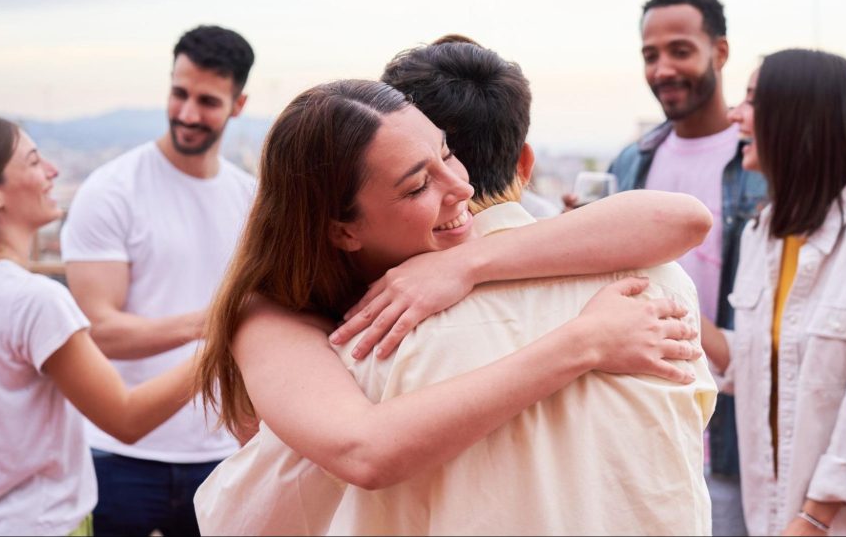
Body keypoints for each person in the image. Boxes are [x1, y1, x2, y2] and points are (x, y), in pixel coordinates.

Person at [194, 78, 712, 534]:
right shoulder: (269, 319)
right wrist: (584, 342)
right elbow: (364, 450)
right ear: (342, 230)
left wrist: (468, 264)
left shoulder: (452, 260)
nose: (460, 186)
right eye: (419, 184)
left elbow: (682, 219)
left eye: (446, 153)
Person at [0, 118, 196, 536]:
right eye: (34, 162)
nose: (53, 171)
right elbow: (126, 417)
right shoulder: (36, 300)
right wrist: (220, 344)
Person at [701, 49, 846, 535]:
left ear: (797, 115)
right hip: (775, 517)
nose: (733, 114)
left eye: (751, 100)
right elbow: (759, 364)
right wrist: (667, 299)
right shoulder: (761, 236)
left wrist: (811, 521)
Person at [59, 25, 256, 535]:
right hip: (117, 456)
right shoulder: (111, 191)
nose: (188, 113)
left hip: (223, 452)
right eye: (179, 93)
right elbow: (99, 333)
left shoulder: (252, 201)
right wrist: (213, 323)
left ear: (238, 105)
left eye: (208, 101)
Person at [599, 0, 767, 535]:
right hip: (640, 427)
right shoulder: (631, 162)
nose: (663, 68)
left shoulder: (760, 166)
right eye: (650, 55)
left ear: (719, 52)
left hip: (733, 437)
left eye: (680, 50)